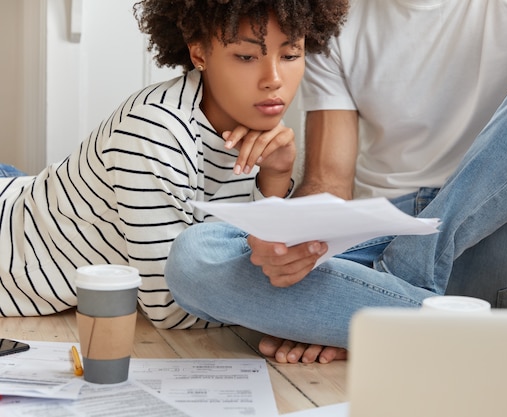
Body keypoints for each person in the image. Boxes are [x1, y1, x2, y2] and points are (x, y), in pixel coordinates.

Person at [164, 0, 507, 362]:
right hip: (382, 234)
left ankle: (386, 296)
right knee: (193, 256)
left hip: (499, 237)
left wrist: (321, 313)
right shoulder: (334, 19)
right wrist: (290, 239)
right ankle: (410, 316)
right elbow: (329, 181)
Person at [0, 0, 349, 328]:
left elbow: (246, 252)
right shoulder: (154, 131)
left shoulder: (259, 130)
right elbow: (171, 307)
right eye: (245, 56)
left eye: (290, 54)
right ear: (199, 53)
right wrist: (291, 316)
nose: (273, 78)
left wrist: (276, 176)